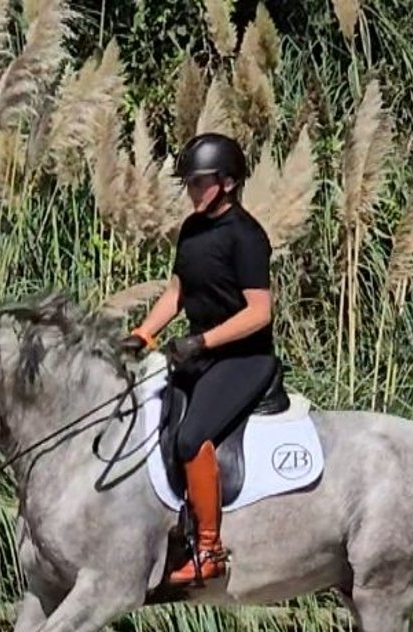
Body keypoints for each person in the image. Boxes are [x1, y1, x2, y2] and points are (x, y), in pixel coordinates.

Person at [120, 132, 279, 586]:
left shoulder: (247, 237)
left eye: (198, 183)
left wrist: (203, 342)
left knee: (191, 437)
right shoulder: (192, 230)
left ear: (227, 183)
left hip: (244, 359)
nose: (191, 191)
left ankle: (209, 550)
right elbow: (177, 293)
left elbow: (259, 312)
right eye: (189, 183)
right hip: (200, 355)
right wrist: (143, 334)